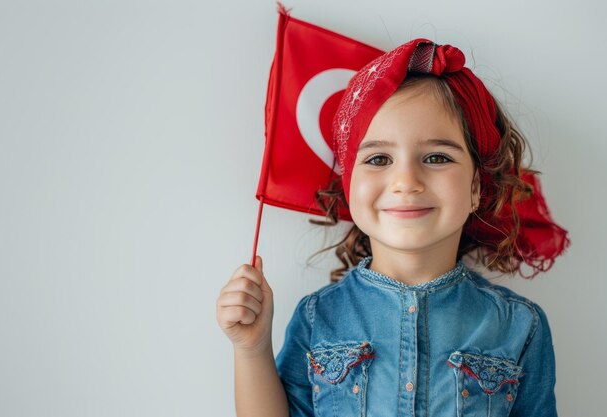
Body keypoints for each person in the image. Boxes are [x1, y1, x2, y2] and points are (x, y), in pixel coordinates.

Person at [216, 38, 569, 417]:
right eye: (379, 158)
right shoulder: (317, 318)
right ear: (350, 186)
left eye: (436, 157)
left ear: (474, 189)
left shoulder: (520, 326)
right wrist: (251, 348)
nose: (406, 180)